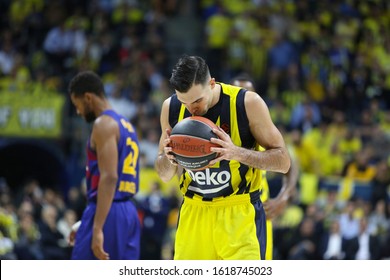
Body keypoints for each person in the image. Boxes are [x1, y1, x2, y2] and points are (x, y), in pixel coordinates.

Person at [155, 55, 291, 260]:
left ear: (211, 83)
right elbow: (164, 175)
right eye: (185, 101)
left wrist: (235, 152)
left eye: (197, 100)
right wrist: (168, 159)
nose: (192, 109)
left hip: (239, 214)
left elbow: (283, 162)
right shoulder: (171, 107)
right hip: (194, 211)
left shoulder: (247, 103)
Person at [68, 71, 141, 260]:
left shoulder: (103, 124)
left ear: (88, 98)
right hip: (127, 212)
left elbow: (109, 178)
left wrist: (98, 227)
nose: (78, 111)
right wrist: (87, 222)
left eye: (77, 105)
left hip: (110, 213)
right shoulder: (127, 124)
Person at [231, 73, 299, 260]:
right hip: (225, 213)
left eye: (247, 93)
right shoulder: (219, 126)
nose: (242, 98)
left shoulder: (262, 127)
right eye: (237, 92)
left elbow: (291, 163)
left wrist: (284, 197)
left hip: (257, 212)